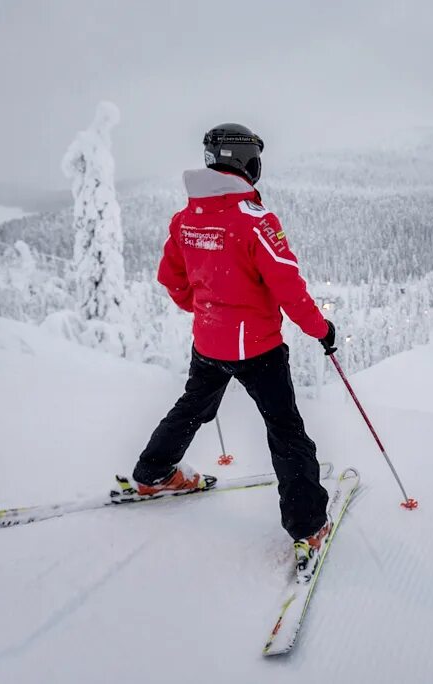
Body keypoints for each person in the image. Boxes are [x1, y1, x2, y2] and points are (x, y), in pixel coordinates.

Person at [132, 123, 336, 578]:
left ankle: (153, 473)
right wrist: (321, 330)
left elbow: (172, 279)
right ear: (245, 161)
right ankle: (308, 525)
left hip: (209, 342)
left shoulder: (187, 218)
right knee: (286, 432)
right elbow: (288, 286)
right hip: (258, 349)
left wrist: (204, 308)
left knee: (193, 406)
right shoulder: (254, 220)